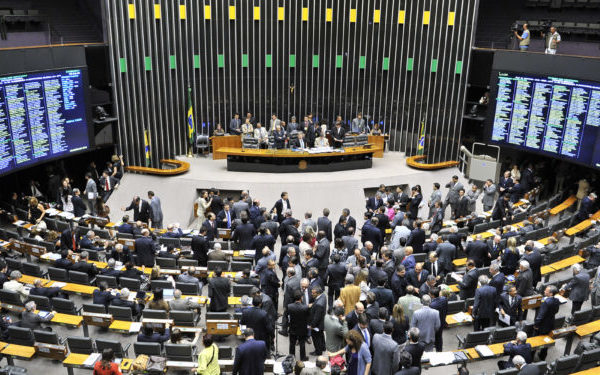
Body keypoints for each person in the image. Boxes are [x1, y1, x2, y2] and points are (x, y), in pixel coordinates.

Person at [534, 286, 561, 360]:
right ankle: (543, 356)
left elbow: (540, 315)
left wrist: (536, 325)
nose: (544, 291)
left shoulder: (546, 302)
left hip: (542, 325)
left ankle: (532, 355)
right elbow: (556, 311)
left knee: (536, 340)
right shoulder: (557, 300)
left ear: (551, 294)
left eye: (546, 291)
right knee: (547, 339)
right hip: (551, 323)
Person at [287, 290, 309, 361]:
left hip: (292, 327)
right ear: (301, 297)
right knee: (302, 344)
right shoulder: (305, 307)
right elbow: (308, 317)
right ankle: (303, 357)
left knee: (292, 344)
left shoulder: (289, 306)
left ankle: (291, 357)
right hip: (302, 328)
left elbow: (286, 316)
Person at [309, 286, 327, 356]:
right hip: (322, 322)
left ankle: (318, 351)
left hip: (317, 325)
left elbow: (316, 317)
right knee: (321, 336)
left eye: (313, 293)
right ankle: (323, 347)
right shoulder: (323, 296)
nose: (312, 294)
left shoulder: (319, 304)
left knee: (316, 338)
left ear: (318, 293)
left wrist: (312, 325)